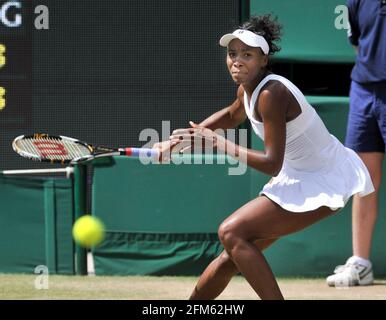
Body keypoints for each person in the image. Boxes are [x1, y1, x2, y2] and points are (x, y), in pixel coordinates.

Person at [154, 14, 374, 300]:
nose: (237, 60)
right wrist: (175, 141)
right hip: (298, 175)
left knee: (231, 232)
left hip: (322, 180)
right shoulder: (248, 89)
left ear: (263, 60)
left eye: (247, 54)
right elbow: (232, 115)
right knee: (230, 256)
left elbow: (272, 163)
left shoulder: (272, 93)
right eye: (233, 54)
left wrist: (218, 143)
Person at [326, 0, 386, 287]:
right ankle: (361, 264)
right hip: (363, 88)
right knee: (365, 178)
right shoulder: (357, 2)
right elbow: (359, 45)